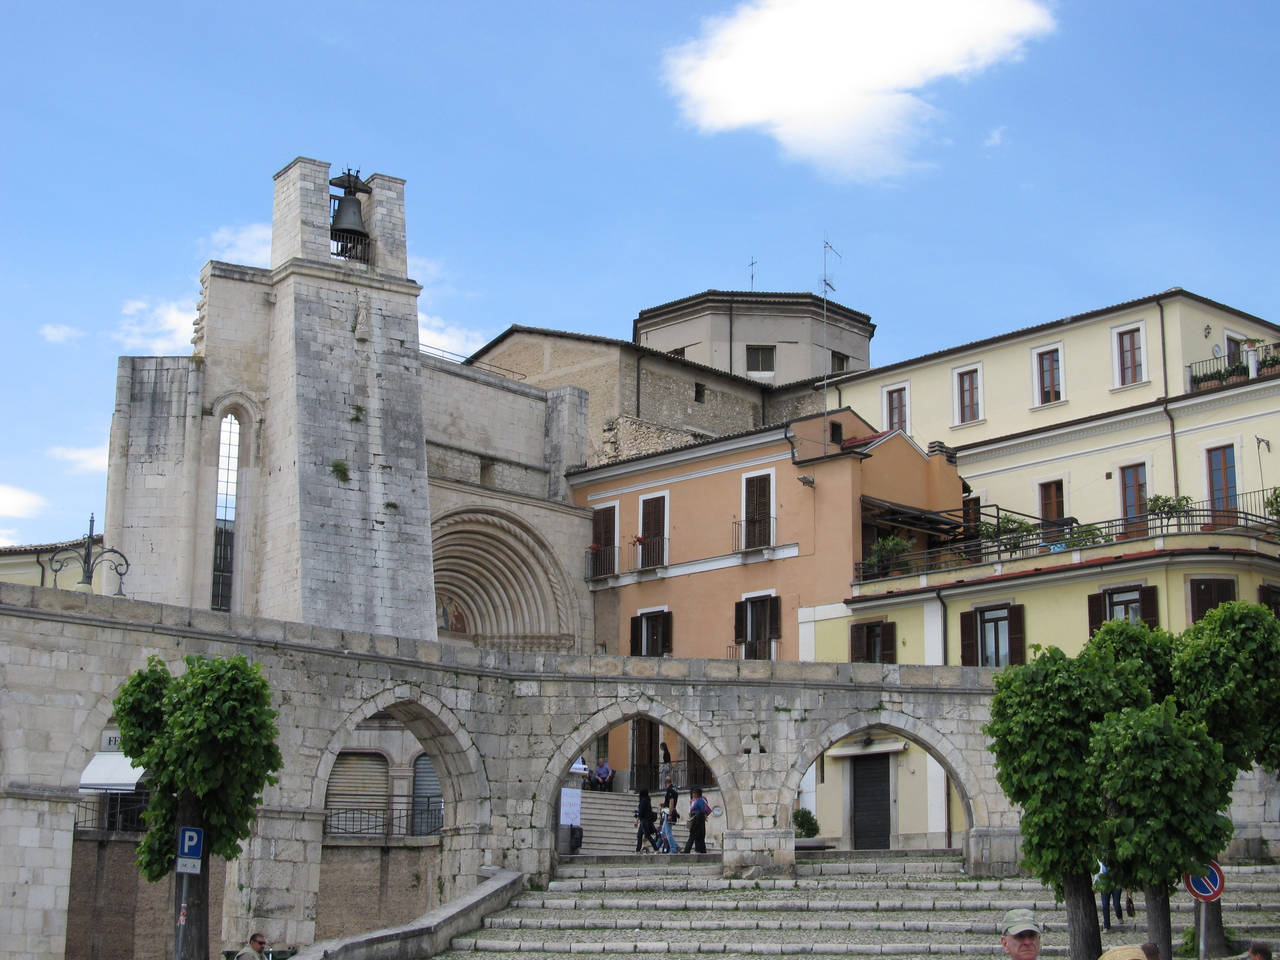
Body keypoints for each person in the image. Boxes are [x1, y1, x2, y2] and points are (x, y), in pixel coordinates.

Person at [1096, 861, 1123, 931]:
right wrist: (1095, 883)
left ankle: (1119, 915)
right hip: (1104, 883)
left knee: (1116, 903)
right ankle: (1106, 926)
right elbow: (1097, 871)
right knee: (1105, 905)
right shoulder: (1099, 859)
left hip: (1116, 882)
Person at [683, 786, 710, 853]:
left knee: (693, 835)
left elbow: (702, 810)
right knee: (699, 836)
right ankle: (702, 850)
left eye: (693, 793)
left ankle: (687, 850)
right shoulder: (697, 801)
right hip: (697, 819)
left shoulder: (700, 800)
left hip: (697, 819)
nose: (692, 794)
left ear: (696, 794)